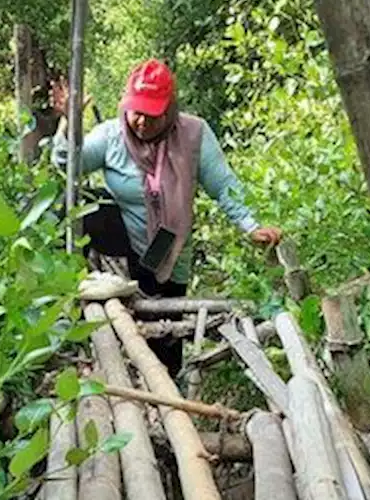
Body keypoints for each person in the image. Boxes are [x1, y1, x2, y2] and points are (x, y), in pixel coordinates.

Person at [50, 58, 282, 378]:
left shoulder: (193, 134)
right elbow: (68, 165)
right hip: (123, 238)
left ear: (169, 108)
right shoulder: (111, 136)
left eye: (152, 114)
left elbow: (224, 185)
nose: (142, 122)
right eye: (136, 112)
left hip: (167, 245)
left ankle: (168, 389)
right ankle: (68, 288)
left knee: (165, 339)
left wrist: (251, 225)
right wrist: (69, 124)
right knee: (81, 201)